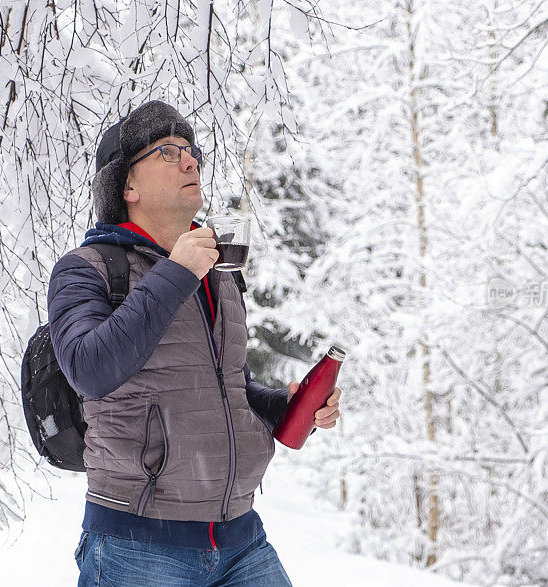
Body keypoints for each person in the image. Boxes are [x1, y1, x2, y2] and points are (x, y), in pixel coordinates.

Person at [47, 100, 343, 586]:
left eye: (191, 150)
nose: (190, 161)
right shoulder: (87, 268)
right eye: (167, 152)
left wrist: (286, 405)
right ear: (127, 186)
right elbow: (89, 369)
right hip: (136, 545)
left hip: (239, 539)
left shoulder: (217, 275)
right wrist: (176, 272)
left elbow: (228, 390)